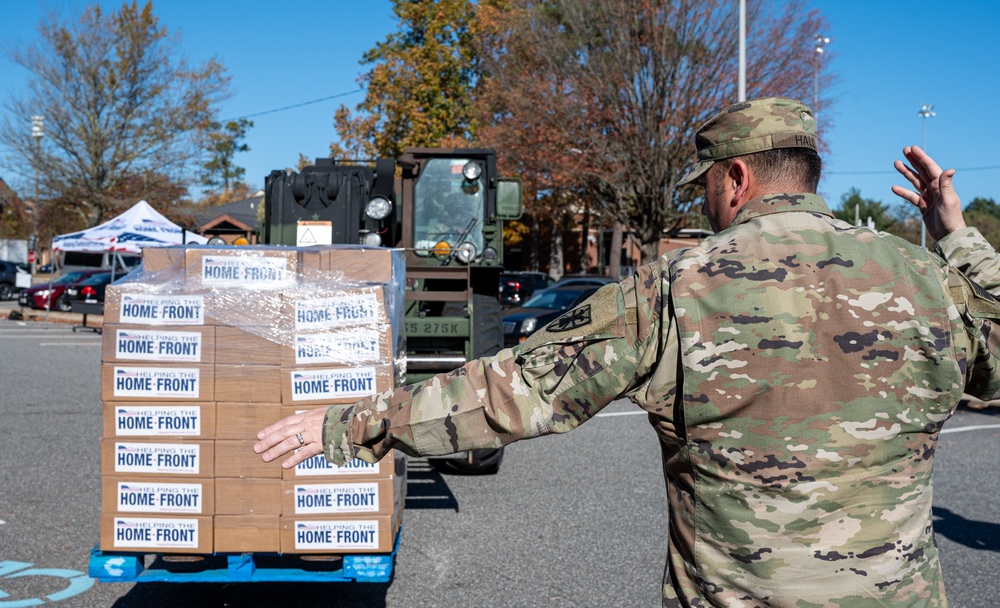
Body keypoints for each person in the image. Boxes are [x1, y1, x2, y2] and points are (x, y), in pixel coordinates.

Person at [256, 97, 1000, 607]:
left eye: (707, 185)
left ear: (737, 178)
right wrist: (959, 236)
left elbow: (513, 390)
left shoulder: (679, 285)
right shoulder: (927, 279)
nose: (705, 203)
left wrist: (348, 424)